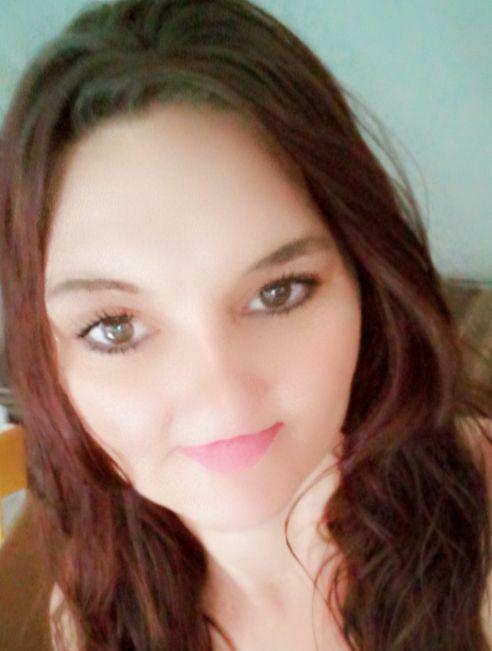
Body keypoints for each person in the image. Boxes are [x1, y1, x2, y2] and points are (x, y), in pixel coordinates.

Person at [0, 1, 491, 650]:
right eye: (115, 327)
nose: (223, 400)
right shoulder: (96, 608)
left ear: (366, 283)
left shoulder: (480, 515)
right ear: (48, 360)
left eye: (278, 292)